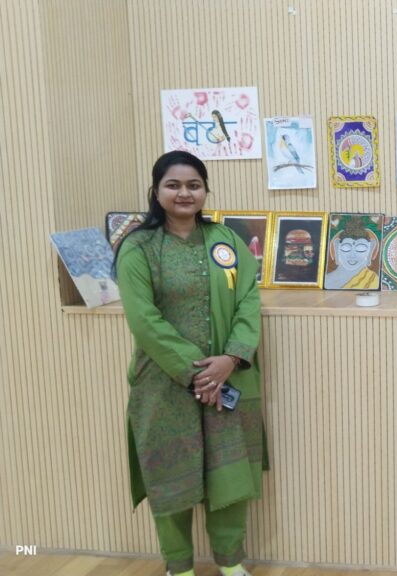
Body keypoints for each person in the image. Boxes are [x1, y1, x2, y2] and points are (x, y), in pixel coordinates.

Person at [116, 151, 267, 576]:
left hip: (229, 377)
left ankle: (231, 562)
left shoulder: (226, 240)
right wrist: (199, 372)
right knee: (171, 475)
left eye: (193, 185)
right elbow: (143, 319)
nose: (184, 193)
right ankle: (179, 566)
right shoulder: (138, 247)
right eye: (174, 185)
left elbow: (248, 300)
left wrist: (231, 358)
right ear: (156, 191)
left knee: (229, 473)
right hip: (163, 384)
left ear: (205, 191)